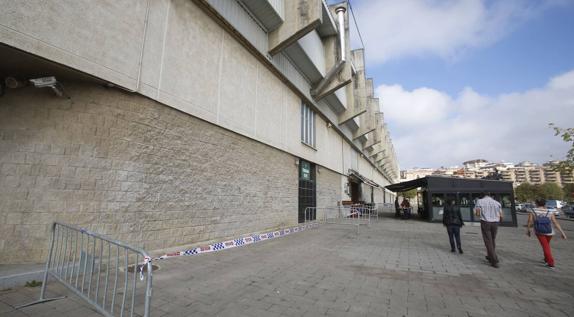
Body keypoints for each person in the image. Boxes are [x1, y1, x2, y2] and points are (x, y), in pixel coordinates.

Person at [526, 198, 567, 268]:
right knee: (546, 245)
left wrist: (528, 230)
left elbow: (529, 221)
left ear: (536, 203)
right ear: (545, 204)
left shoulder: (532, 211)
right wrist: (562, 233)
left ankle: (551, 263)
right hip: (550, 231)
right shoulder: (550, 211)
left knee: (545, 246)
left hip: (539, 231)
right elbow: (555, 222)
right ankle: (546, 259)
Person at [474, 192, 502, 268]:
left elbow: (477, 213)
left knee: (488, 241)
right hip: (495, 223)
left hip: (486, 222)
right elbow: (501, 215)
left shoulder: (480, 201)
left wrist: (479, 215)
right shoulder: (497, 203)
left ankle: (494, 260)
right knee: (492, 240)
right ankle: (490, 255)